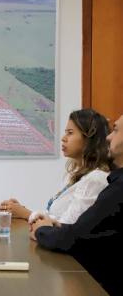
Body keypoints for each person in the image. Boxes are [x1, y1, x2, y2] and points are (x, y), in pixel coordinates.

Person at [30, 114, 123, 295]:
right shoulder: (114, 182)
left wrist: (42, 229)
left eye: (116, 130)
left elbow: (74, 237)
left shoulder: (117, 188)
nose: (109, 137)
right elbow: (85, 230)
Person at [0, 109, 110, 224]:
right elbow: (57, 216)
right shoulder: (79, 175)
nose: (63, 138)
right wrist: (22, 210)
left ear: (88, 139)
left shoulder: (96, 179)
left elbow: (68, 226)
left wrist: (26, 213)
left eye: (70, 133)